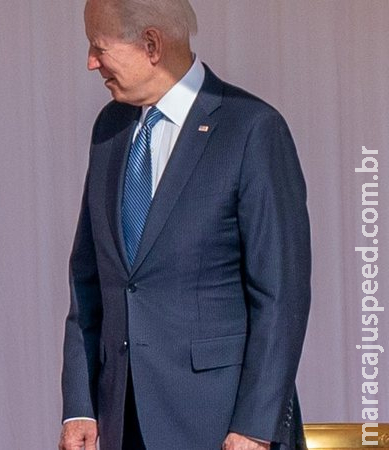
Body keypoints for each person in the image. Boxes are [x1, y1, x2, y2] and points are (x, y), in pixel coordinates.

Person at [59, 1, 311, 449]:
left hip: (219, 427)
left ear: (151, 44)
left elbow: (280, 296)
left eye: (99, 47)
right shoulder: (110, 129)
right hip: (122, 424)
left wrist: (255, 426)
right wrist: (80, 405)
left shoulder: (251, 130)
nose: (90, 62)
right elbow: (89, 279)